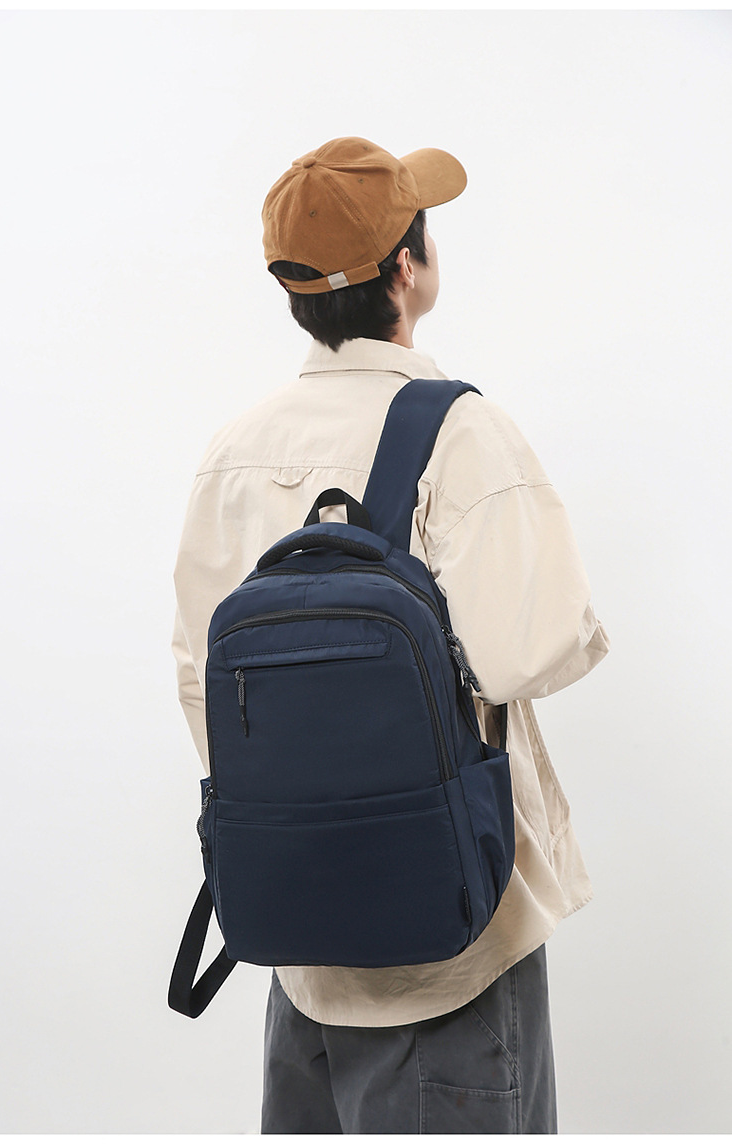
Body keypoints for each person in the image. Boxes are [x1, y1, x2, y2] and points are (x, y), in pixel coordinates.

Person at [171, 136, 609, 1134]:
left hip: (297, 938)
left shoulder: (232, 452)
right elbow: (527, 649)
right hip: (453, 942)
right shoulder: (460, 431)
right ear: (406, 270)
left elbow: (200, 678)